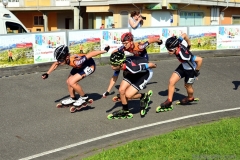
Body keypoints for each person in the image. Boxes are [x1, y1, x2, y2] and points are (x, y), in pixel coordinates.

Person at [42, 45, 110, 113]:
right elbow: (55, 64)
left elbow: (90, 54)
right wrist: (47, 73)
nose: (59, 62)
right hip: (79, 67)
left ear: (67, 57)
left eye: (61, 60)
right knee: (68, 81)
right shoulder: (64, 59)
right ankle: (73, 98)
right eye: (58, 60)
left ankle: (84, 97)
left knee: (72, 82)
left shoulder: (76, 61)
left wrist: (104, 51)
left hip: (89, 66)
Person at [102, 32, 162, 98]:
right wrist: (108, 91)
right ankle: (133, 90)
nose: (124, 45)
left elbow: (150, 40)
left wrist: (159, 41)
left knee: (135, 73)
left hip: (143, 59)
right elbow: (115, 52)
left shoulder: (139, 46)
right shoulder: (124, 47)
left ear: (131, 42)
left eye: (126, 43)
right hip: (135, 59)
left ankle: (134, 90)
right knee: (125, 71)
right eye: (123, 43)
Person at [157, 33, 203, 112]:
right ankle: (169, 101)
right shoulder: (177, 42)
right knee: (171, 81)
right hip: (183, 66)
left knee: (187, 86)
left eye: (170, 50)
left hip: (191, 70)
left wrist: (196, 72)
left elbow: (200, 60)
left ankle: (190, 98)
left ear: (175, 48)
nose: (168, 51)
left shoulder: (184, 55)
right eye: (167, 49)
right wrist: (189, 43)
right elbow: (184, 35)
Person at [107, 52, 157, 119]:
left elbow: (150, 65)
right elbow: (114, 77)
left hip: (145, 74)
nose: (112, 66)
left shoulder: (133, 68)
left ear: (121, 64)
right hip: (133, 72)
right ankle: (125, 110)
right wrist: (108, 91)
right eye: (111, 63)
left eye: (114, 65)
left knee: (128, 95)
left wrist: (154, 65)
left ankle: (143, 96)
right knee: (121, 90)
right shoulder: (119, 65)